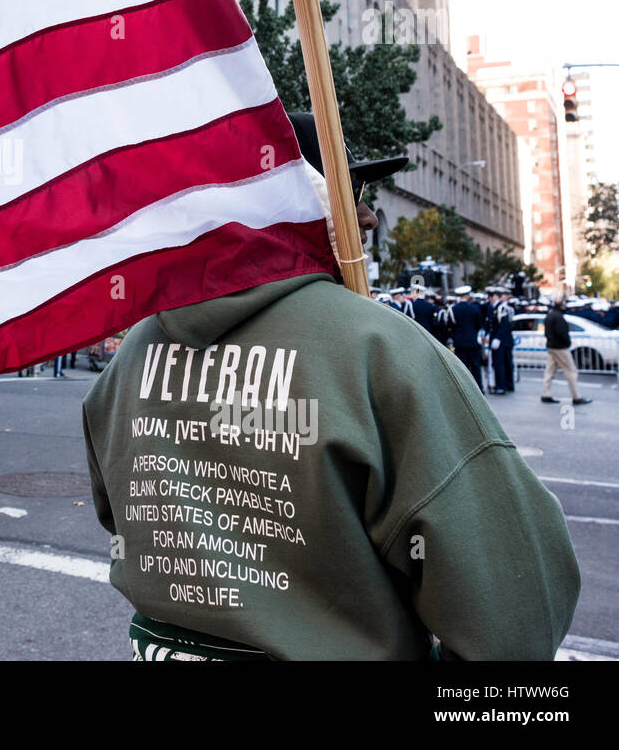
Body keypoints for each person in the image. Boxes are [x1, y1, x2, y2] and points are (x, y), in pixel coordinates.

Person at [83, 112, 580, 660]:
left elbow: (119, 514)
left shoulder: (135, 351)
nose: (366, 216)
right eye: (349, 190)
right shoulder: (383, 352)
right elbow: (515, 615)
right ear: (292, 202)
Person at [542, 297, 592, 406]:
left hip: (552, 346)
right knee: (571, 371)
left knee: (549, 370)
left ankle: (546, 394)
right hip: (559, 347)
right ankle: (576, 396)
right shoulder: (558, 317)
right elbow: (561, 333)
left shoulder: (550, 315)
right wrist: (567, 343)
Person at [449, 286, 485, 393]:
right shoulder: (475, 308)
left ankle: (464, 390)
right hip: (473, 342)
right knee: (476, 366)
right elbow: (479, 324)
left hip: (460, 343)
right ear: (468, 295)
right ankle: (479, 389)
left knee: (462, 367)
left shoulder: (453, 309)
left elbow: (451, 325)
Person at [488, 288, 516, 394]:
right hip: (505, 340)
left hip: (501, 340)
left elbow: (505, 324)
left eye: (491, 296)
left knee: (500, 364)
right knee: (506, 363)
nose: (490, 299)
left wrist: (497, 338)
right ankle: (508, 385)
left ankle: (501, 386)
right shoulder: (501, 307)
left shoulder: (501, 308)